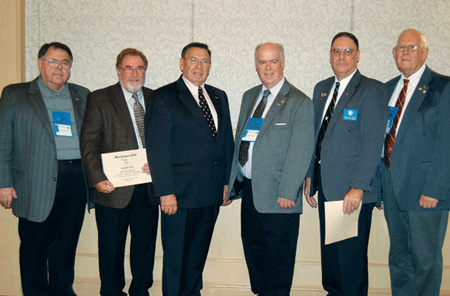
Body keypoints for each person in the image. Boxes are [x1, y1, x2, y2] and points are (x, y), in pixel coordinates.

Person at [144, 42, 234, 296]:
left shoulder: (219, 96)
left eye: (204, 61)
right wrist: (165, 192)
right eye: (193, 60)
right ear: (181, 63)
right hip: (178, 196)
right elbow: (157, 149)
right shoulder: (164, 97)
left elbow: (226, 141)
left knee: (196, 259)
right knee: (175, 262)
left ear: (210, 67)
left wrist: (227, 182)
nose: (199, 66)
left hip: (210, 193)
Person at [0, 42, 89, 296]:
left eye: (65, 63)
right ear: (40, 63)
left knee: (65, 247)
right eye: (53, 61)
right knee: (34, 250)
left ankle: (63, 291)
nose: (59, 68)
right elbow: (3, 141)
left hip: (75, 183)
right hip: (35, 184)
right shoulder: (15, 94)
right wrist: (3, 182)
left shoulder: (82, 95)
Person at [304, 32, 388, 296]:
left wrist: (358, 187)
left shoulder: (372, 90)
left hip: (351, 192)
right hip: (327, 187)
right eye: (336, 51)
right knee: (331, 257)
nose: (341, 57)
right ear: (330, 56)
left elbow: (373, 145)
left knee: (350, 261)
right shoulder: (321, 88)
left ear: (358, 56)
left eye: (348, 51)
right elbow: (315, 137)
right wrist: (309, 178)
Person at [227, 42, 314, 296]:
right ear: (256, 65)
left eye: (273, 61)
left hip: (280, 196)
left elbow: (301, 150)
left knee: (278, 260)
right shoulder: (250, 96)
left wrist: (289, 190)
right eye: (262, 62)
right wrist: (232, 182)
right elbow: (240, 142)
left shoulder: (299, 102)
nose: (268, 67)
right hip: (250, 191)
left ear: (283, 63)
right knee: (255, 253)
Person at [81, 48, 158, 296]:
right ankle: (112, 292)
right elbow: (89, 144)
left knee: (144, 248)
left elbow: (165, 142)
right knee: (111, 250)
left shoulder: (156, 98)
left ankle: (140, 291)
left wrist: (158, 167)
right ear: (118, 70)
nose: (134, 73)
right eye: (129, 68)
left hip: (148, 188)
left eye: (140, 68)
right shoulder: (100, 98)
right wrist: (97, 179)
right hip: (112, 189)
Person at [380, 29, 450, 296]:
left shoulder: (443, 87)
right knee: (399, 259)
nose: (405, 52)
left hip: (426, 193)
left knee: (426, 262)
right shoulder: (387, 89)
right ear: (394, 54)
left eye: (412, 47)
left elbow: (447, 143)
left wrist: (435, 189)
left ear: (425, 53)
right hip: (393, 189)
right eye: (401, 47)